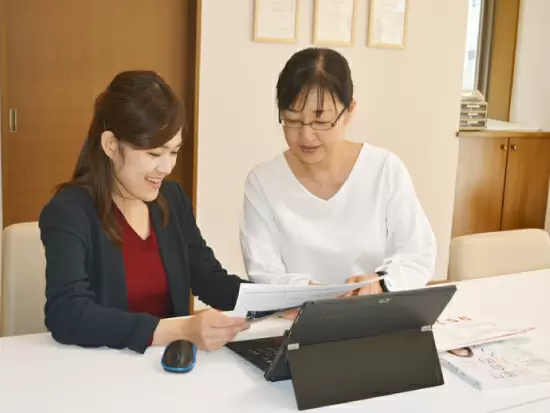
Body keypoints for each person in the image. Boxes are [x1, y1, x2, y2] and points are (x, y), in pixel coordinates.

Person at [39, 70, 250, 354]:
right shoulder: (69, 211)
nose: (167, 167)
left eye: (174, 152)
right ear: (111, 145)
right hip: (99, 371)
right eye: (154, 154)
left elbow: (210, 280)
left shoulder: (171, 200)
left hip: (165, 369)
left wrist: (282, 301)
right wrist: (182, 329)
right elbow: (68, 314)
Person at [239, 47, 436, 296]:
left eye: (321, 122)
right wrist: (318, 295)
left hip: (374, 314)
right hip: (297, 319)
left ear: (349, 111)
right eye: (293, 120)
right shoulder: (263, 181)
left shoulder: (384, 169)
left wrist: (380, 283)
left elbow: (417, 255)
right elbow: (263, 271)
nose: (306, 135)